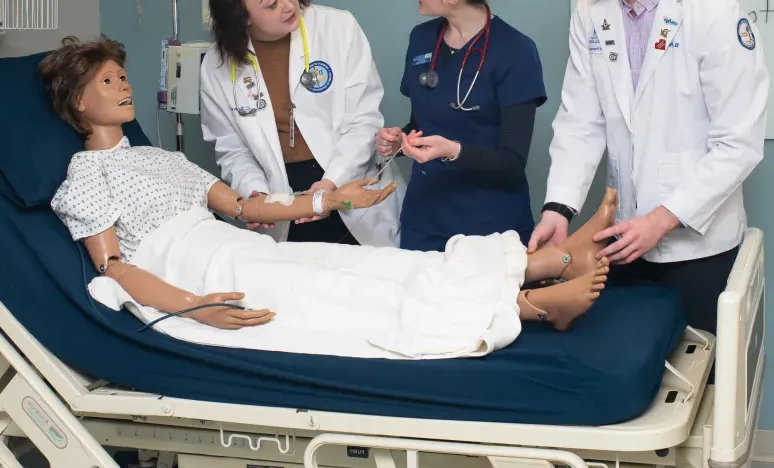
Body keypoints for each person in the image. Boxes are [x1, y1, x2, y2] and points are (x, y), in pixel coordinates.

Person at [40, 35, 615, 354]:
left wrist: (330, 203)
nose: (124, 86)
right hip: (200, 274)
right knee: (350, 295)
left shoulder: (159, 158)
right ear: (76, 102)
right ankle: (530, 307)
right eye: (107, 81)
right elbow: (113, 268)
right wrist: (195, 307)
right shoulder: (86, 175)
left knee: (380, 266)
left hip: (248, 249)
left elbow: (244, 208)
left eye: (122, 75)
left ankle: (549, 261)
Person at [527, 0, 769, 468]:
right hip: (624, 247)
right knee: (632, 405)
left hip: (697, 250)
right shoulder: (593, 12)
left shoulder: (713, 14)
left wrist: (664, 219)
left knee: (703, 413)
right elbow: (580, 121)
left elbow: (739, 144)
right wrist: (557, 208)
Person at [199, 0, 404, 249]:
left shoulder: (338, 28)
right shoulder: (217, 65)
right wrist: (256, 196)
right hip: (281, 199)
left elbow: (364, 121)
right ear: (241, 17)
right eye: (271, 3)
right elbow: (232, 150)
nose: (288, 4)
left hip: (347, 180)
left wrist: (328, 187)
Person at [376, 0, 547, 252]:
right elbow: (421, 124)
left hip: (491, 229)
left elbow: (512, 162)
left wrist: (451, 150)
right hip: (424, 222)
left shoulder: (515, 51)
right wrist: (399, 141)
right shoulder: (422, 39)